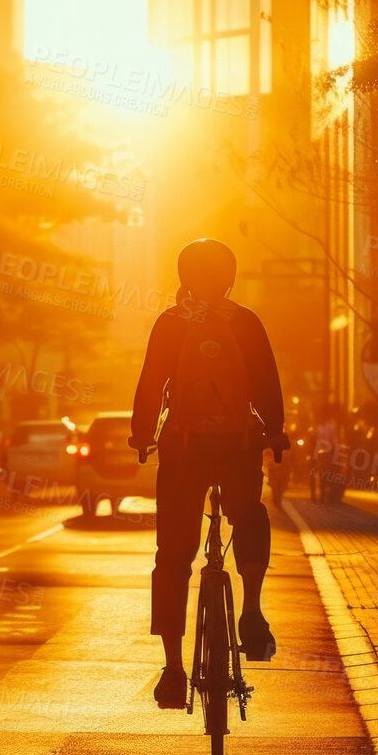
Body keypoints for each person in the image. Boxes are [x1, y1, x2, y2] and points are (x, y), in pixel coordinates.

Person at [129, 238, 289, 709]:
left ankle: (173, 670)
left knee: (173, 555)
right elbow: (267, 383)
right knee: (250, 515)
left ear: (184, 274)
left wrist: (142, 435)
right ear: (229, 275)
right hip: (237, 448)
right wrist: (274, 433)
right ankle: (253, 610)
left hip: (183, 450)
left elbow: (150, 382)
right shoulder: (245, 321)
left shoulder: (170, 323)